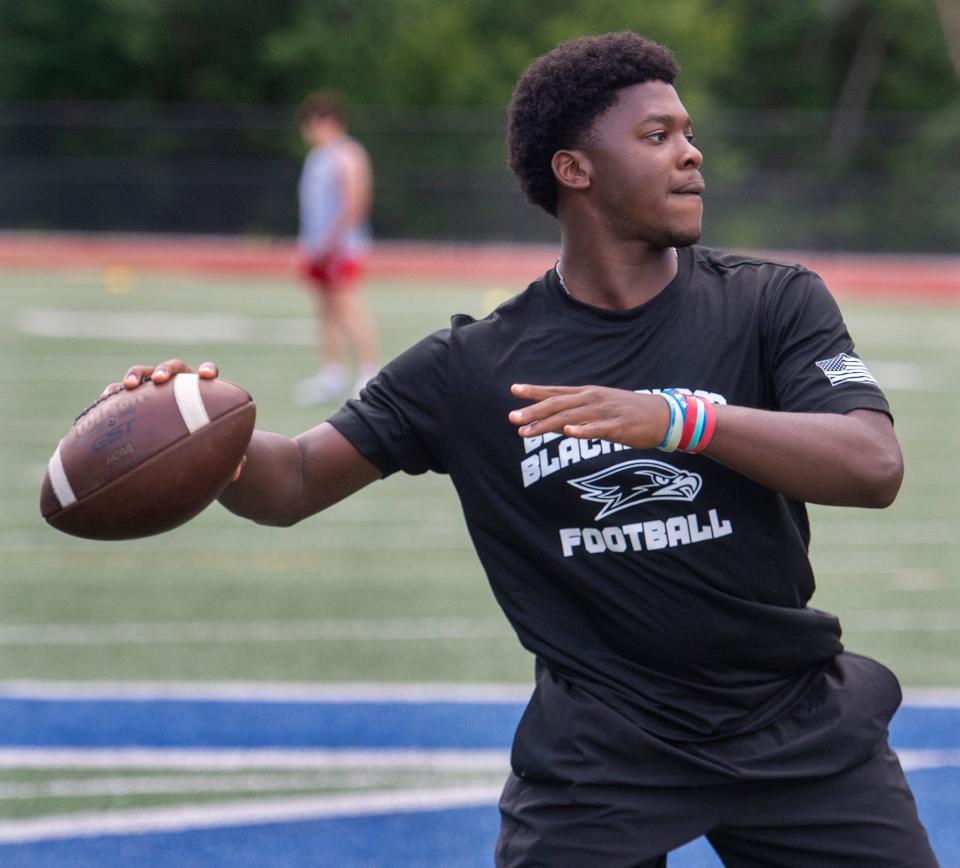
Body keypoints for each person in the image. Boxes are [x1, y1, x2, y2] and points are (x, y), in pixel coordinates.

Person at [108, 32, 938, 868]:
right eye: (657, 137)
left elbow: (872, 465)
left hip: (793, 724)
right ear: (574, 169)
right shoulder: (472, 366)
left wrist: (679, 421)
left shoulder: (772, 302)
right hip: (604, 751)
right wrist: (195, 432)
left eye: (688, 133)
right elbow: (290, 482)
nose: (691, 155)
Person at [292, 89, 380, 404]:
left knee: (348, 308)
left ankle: (369, 371)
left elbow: (355, 202)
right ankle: (332, 373)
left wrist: (332, 242)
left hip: (342, 248)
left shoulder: (348, 154)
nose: (306, 131)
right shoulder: (318, 157)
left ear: (325, 120)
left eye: (310, 123)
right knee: (325, 310)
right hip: (318, 248)